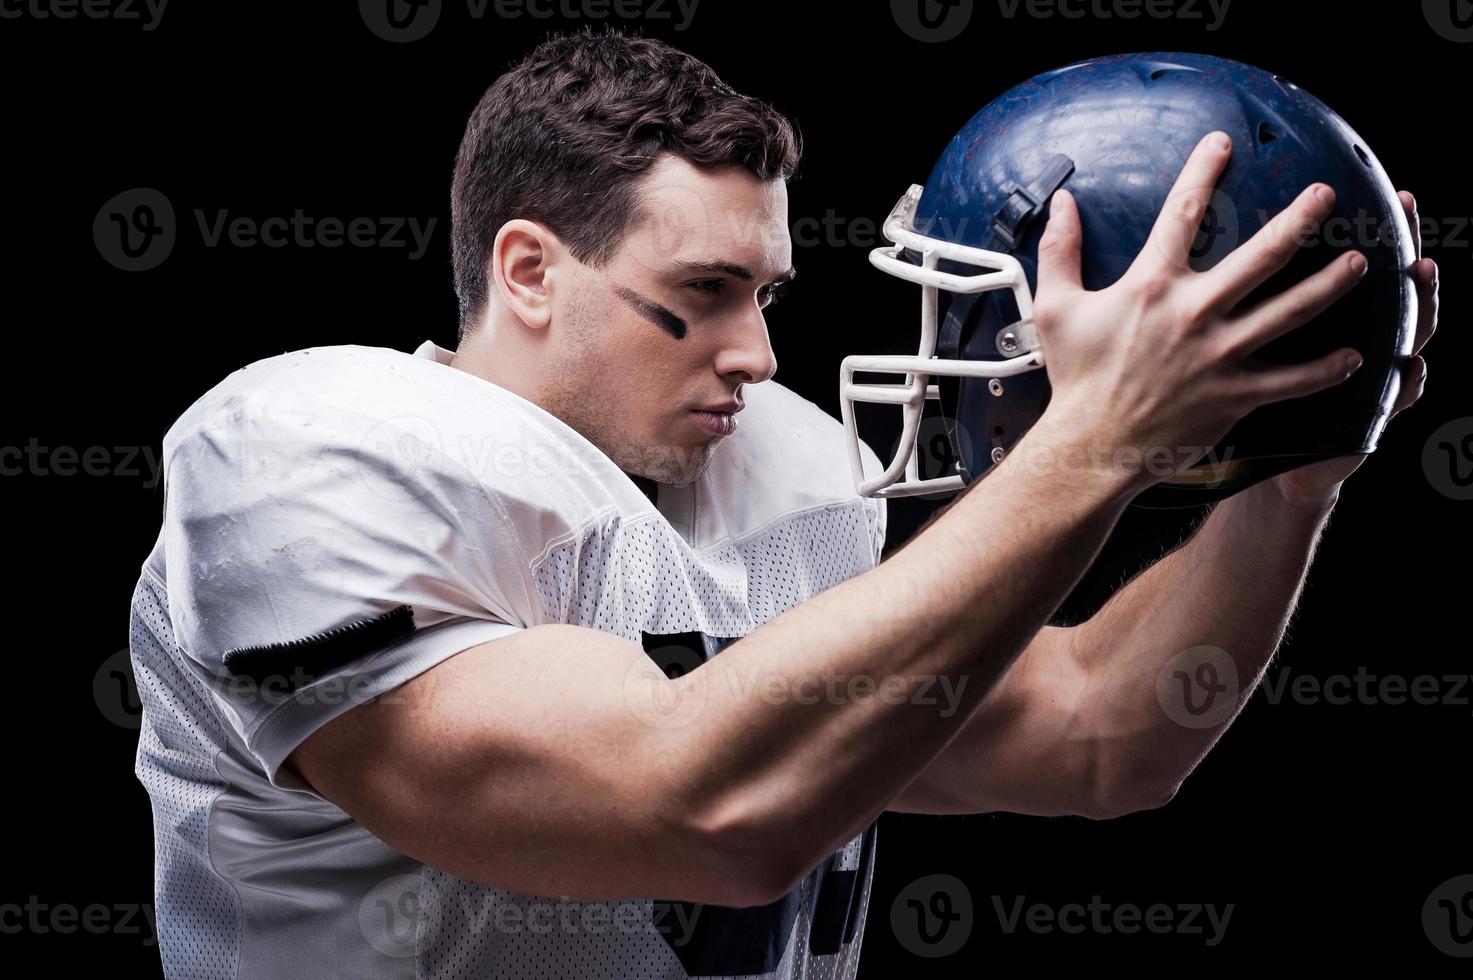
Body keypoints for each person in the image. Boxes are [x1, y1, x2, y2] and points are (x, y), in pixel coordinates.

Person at [128, 25, 1437, 979]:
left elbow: (1104, 736)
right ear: (528, 269)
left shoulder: (779, 479)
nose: (755, 353)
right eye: (699, 295)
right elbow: (693, 812)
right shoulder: (304, 454)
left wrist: (1294, 468)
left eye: (765, 295)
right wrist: (1096, 442)